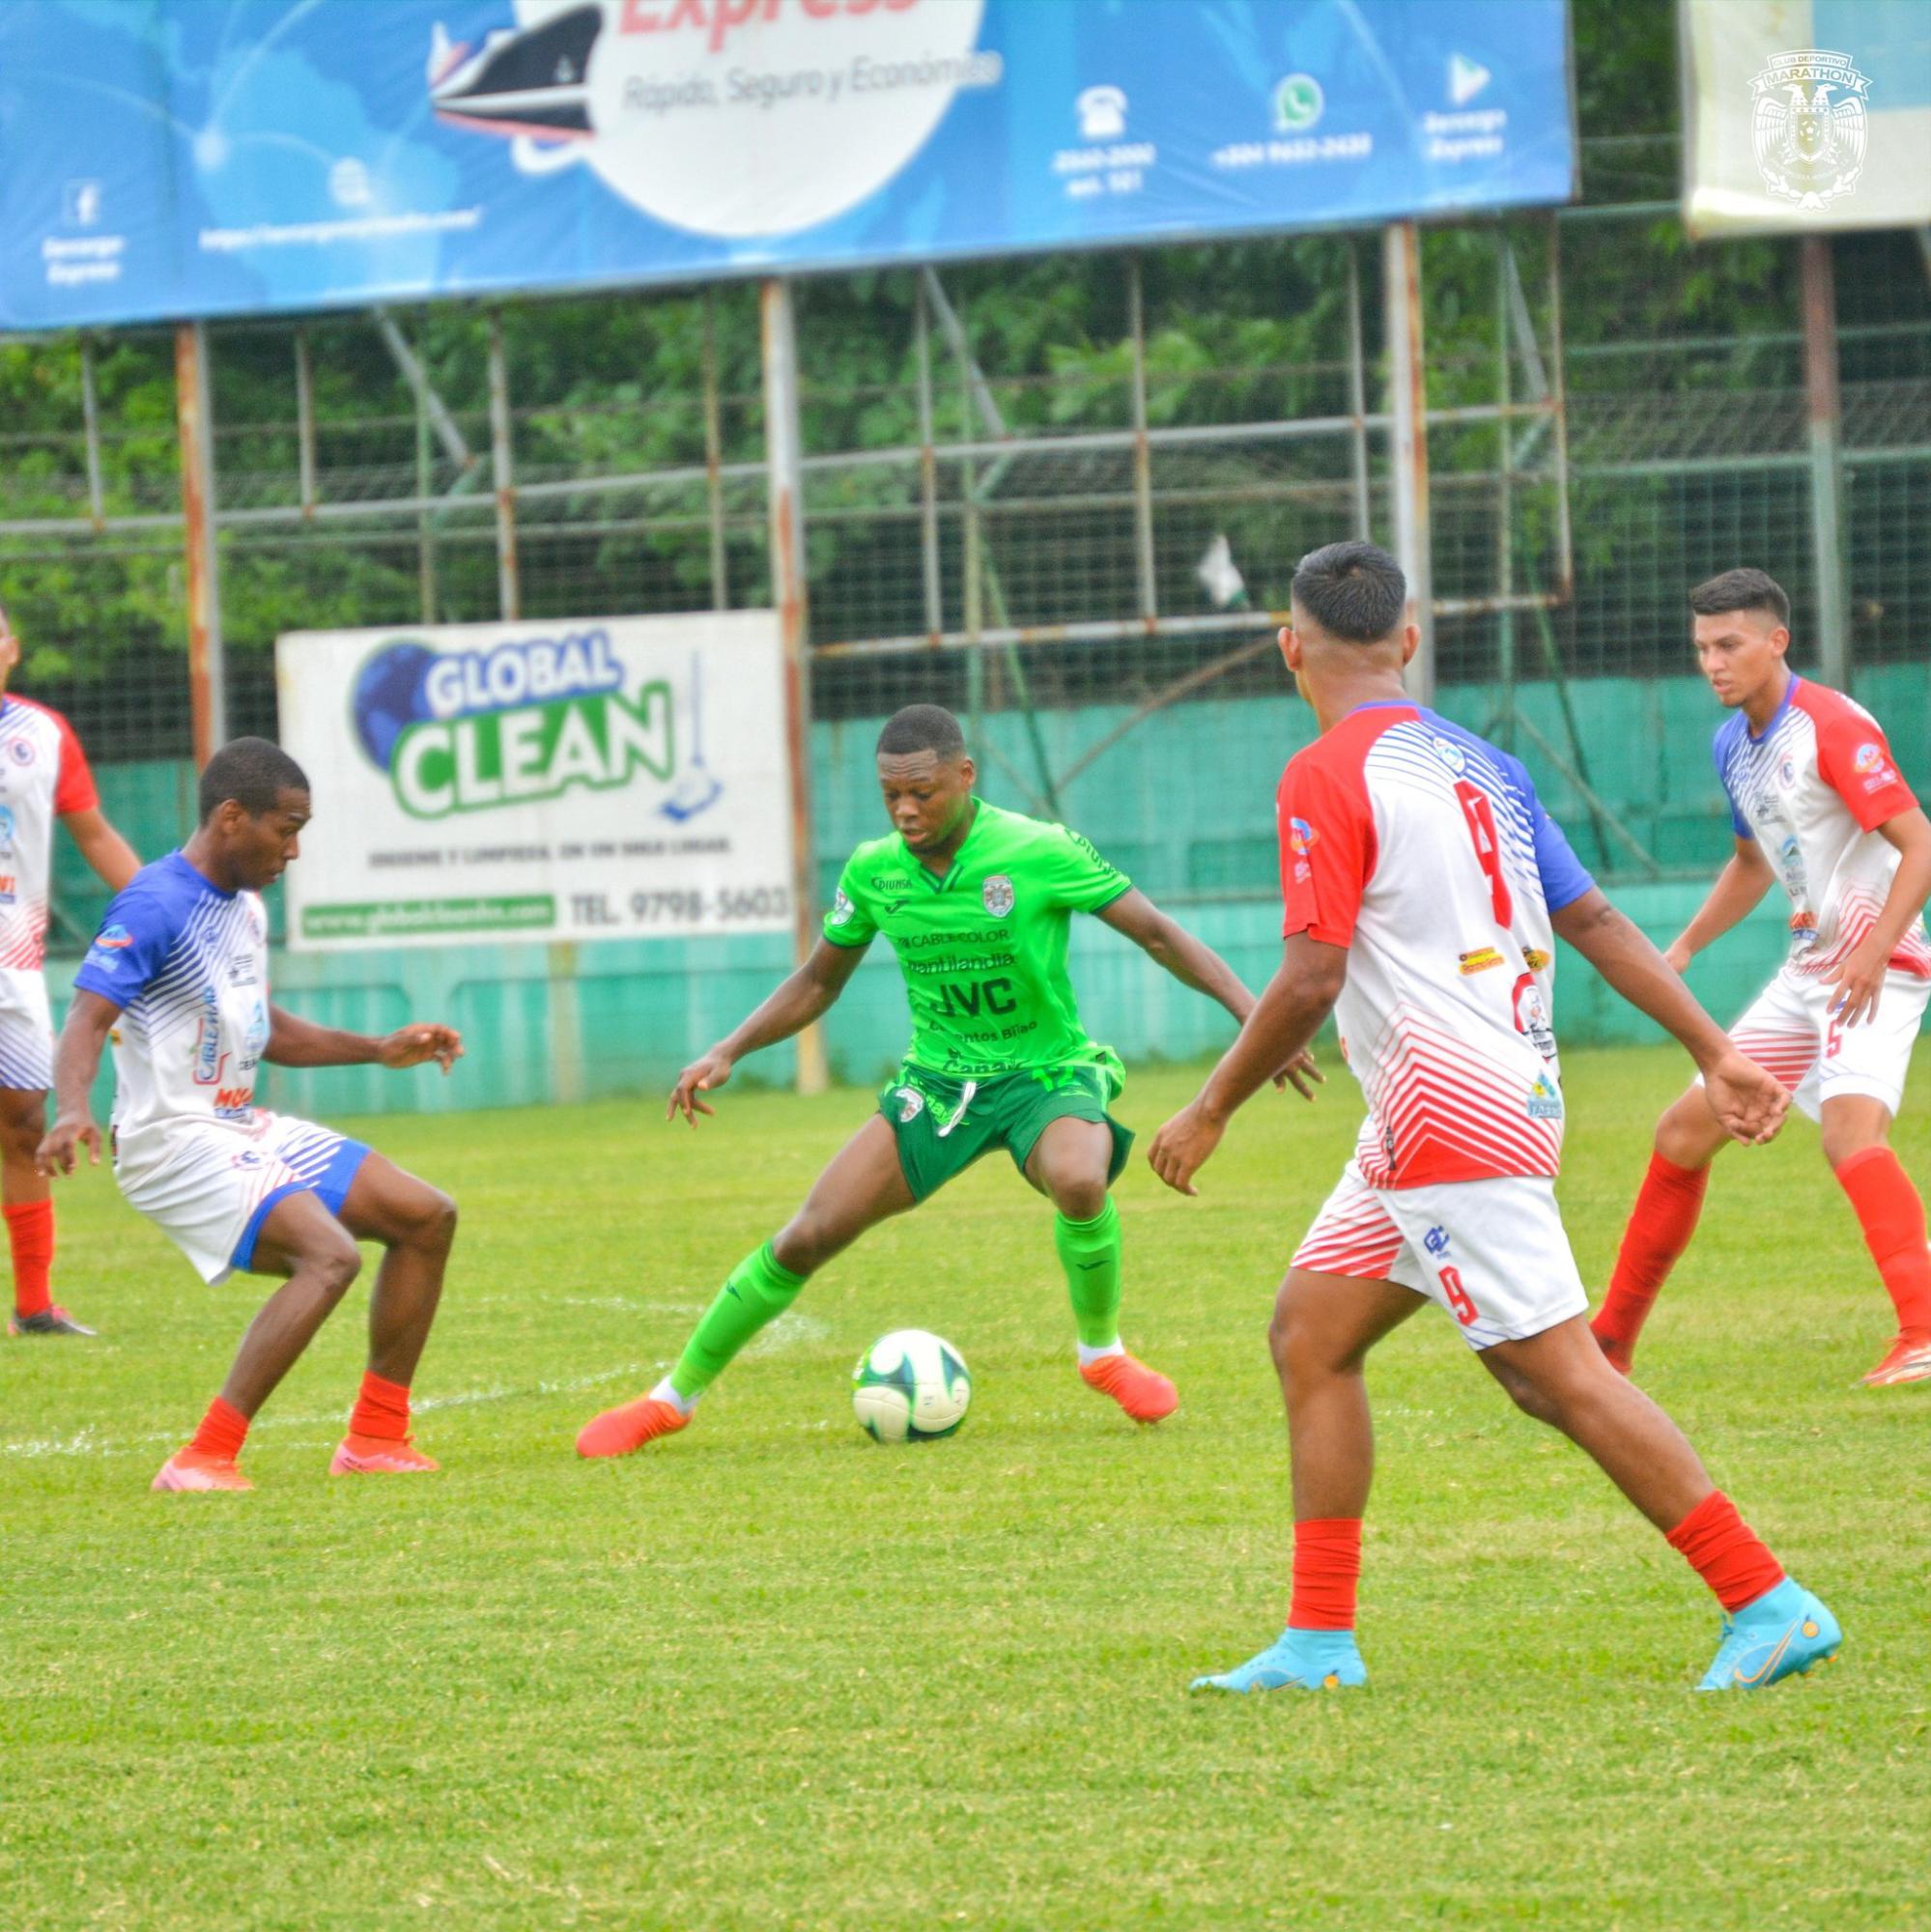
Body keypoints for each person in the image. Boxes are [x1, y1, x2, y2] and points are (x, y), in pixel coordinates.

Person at [1148, 540, 1838, 1694]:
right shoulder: (1484, 764)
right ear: (1406, 642)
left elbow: (1312, 976)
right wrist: (1713, 1048)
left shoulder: (1322, 771)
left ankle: (1767, 1598)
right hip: (1485, 1095)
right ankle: (1318, 1643)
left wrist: (1211, 1102)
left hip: (1445, 1112)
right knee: (1310, 1335)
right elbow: (1603, 922)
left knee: (1554, 1374)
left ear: (1288, 646)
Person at [578, 701, 1320, 1459]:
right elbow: (816, 981)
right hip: (936, 1087)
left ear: (965, 776)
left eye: (922, 792)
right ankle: (669, 1401)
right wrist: (727, 1049)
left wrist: (1257, 1019)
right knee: (807, 1236)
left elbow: (1160, 934)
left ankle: (1101, 1353)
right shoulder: (873, 872)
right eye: (890, 794)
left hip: (1043, 1072)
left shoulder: (1038, 849)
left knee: (1077, 1178)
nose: (905, 810)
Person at [37, 737, 465, 1492]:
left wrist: (378, 1048)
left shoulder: (245, 910)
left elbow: (271, 1031)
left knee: (425, 1216)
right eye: (286, 827)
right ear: (232, 817)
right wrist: (72, 1108)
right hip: (170, 1143)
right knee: (329, 1257)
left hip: (235, 1124)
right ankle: (202, 1457)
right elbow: (85, 1020)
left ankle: (375, 1438)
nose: (294, 849)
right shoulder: (154, 902)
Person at [1591, 569, 1931, 1386]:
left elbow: (1918, 842)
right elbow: (1752, 864)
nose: (1711, 661)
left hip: (1875, 966)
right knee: (1680, 1132)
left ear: (1776, 642)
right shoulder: (1729, 743)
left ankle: (1921, 1332)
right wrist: (1682, 948)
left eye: (1729, 644)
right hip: (1808, 968)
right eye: (1702, 646)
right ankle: (1609, 1343)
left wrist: (1874, 948)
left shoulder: (1830, 725)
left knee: (1850, 1137)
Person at [0, 598, 142, 1338]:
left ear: (12, 650)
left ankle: (33, 1306)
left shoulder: (43, 735)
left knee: (23, 1125)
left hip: (12, 959)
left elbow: (91, 832)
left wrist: (164, 908)